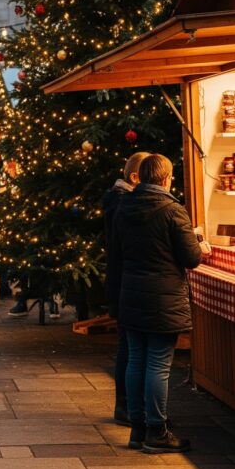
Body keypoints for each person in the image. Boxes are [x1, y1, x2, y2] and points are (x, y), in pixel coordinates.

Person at [112, 153, 207, 454]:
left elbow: (118, 249)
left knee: (136, 360)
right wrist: (198, 244)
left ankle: (137, 429)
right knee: (157, 365)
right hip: (163, 297)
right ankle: (157, 430)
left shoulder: (124, 206)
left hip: (132, 292)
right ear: (166, 179)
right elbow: (191, 258)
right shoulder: (172, 210)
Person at [103, 150, 149, 424]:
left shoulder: (118, 201)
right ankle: (127, 406)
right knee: (130, 348)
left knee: (128, 347)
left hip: (121, 281)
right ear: (134, 177)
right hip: (126, 282)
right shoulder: (124, 204)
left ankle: (128, 406)